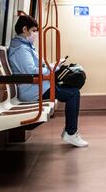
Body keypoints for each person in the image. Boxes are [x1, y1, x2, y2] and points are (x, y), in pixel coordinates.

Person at [8, 15, 88, 147]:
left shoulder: (26, 47)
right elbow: (33, 71)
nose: (35, 34)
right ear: (24, 29)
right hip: (31, 89)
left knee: (72, 88)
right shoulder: (20, 50)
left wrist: (54, 66)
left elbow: (39, 67)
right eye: (33, 30)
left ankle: (71, 132)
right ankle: (71, 133)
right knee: (73, 93)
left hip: (37, 86)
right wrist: (53, 67)